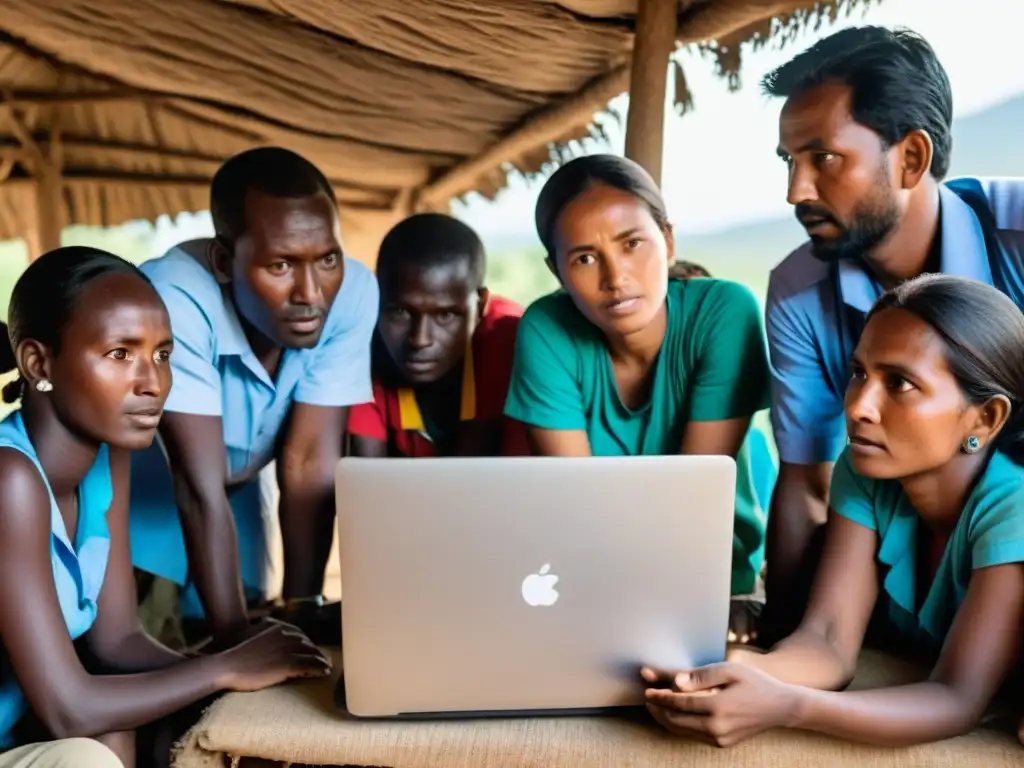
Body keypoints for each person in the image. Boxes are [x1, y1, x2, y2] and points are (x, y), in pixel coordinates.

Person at [644, 274, 1024, 747]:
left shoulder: (1013, 502)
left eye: (900, 383)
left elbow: (956, 698)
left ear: (985, 418)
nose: (859, 406)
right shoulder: (866, 469)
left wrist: (790, 705)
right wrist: (736, 671)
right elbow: (826, 640)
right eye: (859, 373)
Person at [0, 247, 329, 768]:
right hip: (41, 726)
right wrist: (224, 669)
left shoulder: (111, 456)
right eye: (119, 354)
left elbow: (118, 641)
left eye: (162, 354)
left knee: (126, 735)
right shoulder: (9, 479)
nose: (152, 383)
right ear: (39, 362)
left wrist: (234, 673)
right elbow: (67, 708)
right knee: (92, 755)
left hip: (27, 731)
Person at [760, 26, 1024, 637]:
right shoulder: (799, 293)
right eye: (789, 162)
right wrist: (774, 651)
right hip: (911, 569)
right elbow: (806, 481)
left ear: (911, 159)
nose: (796, 191)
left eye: (823, 158)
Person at [504, 154, 772, 628]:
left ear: (667, 240)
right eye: (584, 258)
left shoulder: (724, 314)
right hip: (594, 570)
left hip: (712, 576)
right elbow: (576, 502)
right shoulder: (546, 330)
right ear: (556, 271)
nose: (616, 277)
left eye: (633, 244)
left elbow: (693, 503)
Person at [128, 147, 378, 646]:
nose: (311, 292)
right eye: (281, 265)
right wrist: (235, 643)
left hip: (235, 497)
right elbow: (195, 487)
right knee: (144, 649)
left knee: (257, 620)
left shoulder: (350, 293)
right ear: (224, 261)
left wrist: (301, 607)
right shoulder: (173, 298)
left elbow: (309, 462)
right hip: (141, 493)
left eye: (326, 258)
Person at [347, 213, 527, 458]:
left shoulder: (515, 342)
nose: (420, 339)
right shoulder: (356, 344)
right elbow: (366, 479)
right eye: (400, 312)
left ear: (481, 304)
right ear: (375, 297)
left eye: (446, 316)